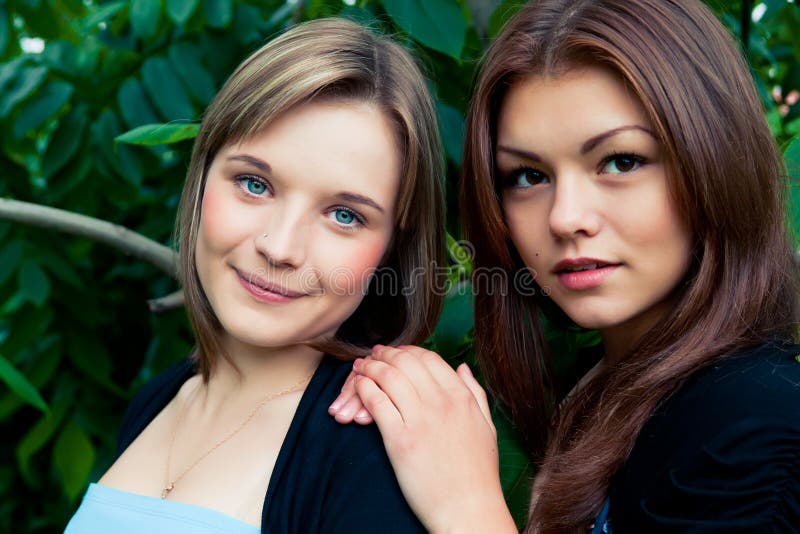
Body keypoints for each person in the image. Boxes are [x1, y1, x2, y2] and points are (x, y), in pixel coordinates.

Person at [328, 0, 800, 532]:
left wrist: (467, 506)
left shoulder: (755, 425)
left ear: (715, 161)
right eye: (528, 176)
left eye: (621, 162)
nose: (565, 218)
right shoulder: (599, 391)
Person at [65, 17, 445, 533]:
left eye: (344, 215)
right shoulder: (157, 399)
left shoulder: (377, 450)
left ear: (392, 247)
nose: (280, 247)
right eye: (254, 183)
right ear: (201, 176)